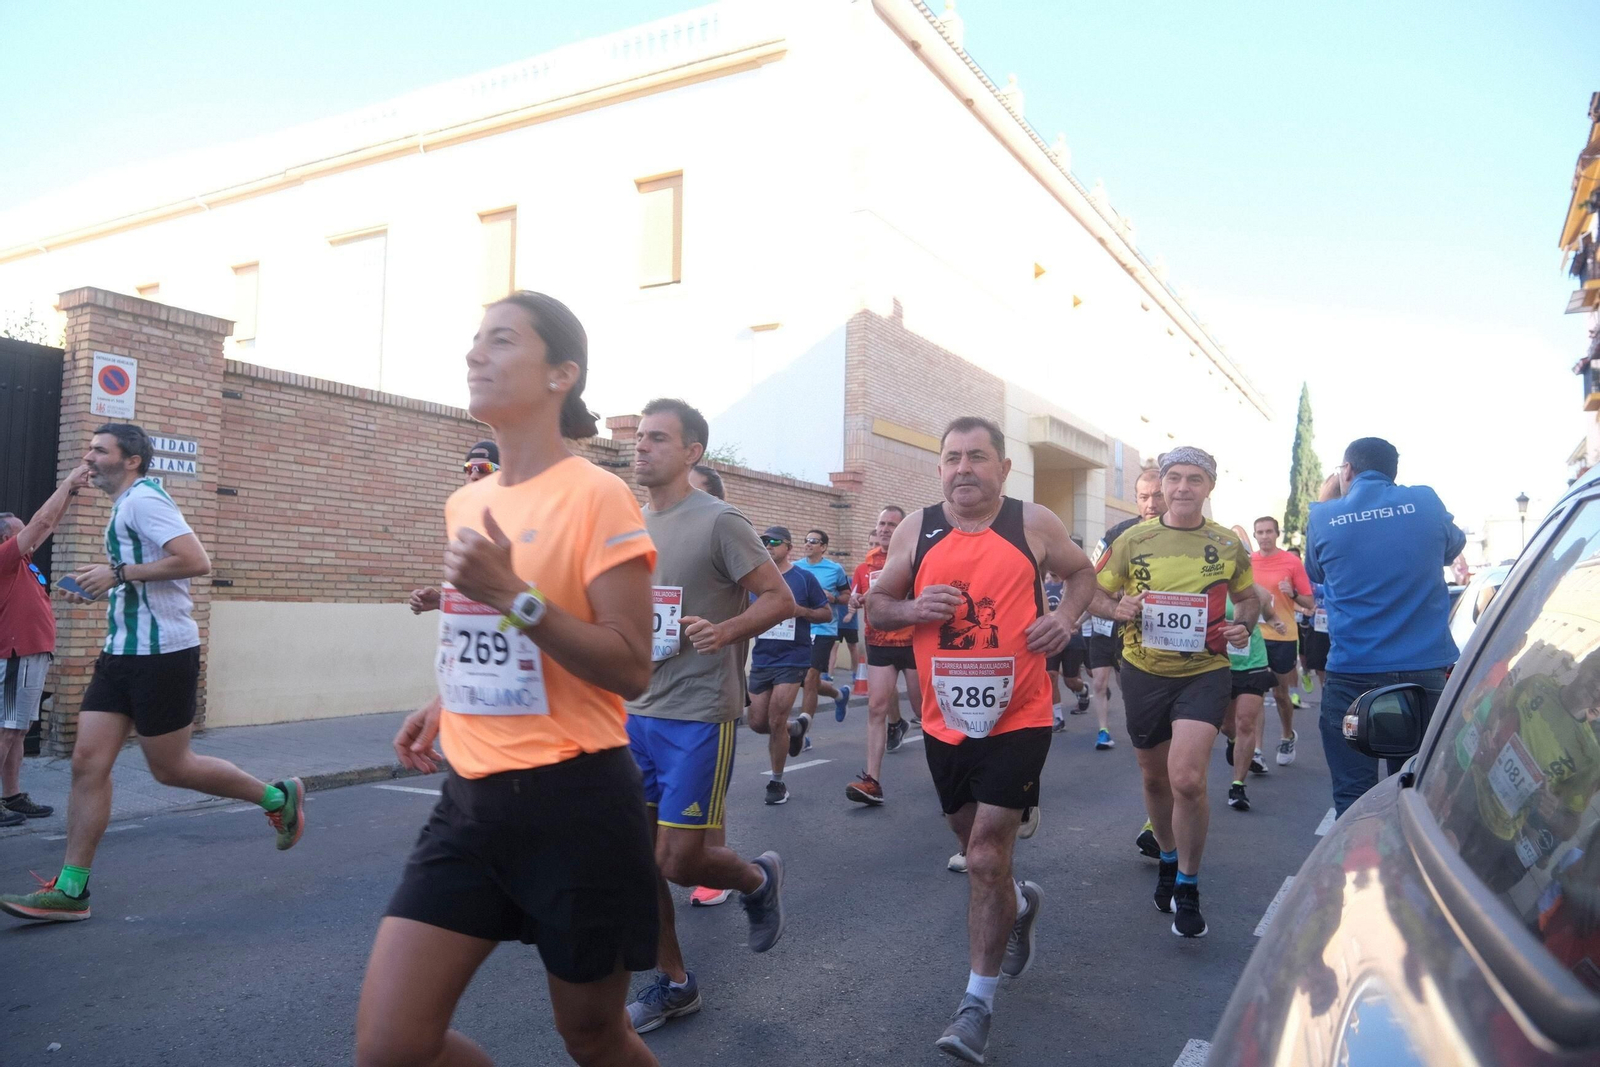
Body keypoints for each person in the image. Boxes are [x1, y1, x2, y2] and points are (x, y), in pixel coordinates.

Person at [354, 292, 665, 1067]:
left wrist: (515, 596)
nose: (474, 354)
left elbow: (629, 664)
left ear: (563, 373)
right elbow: (494, 636)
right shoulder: (468, 499)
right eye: (473, 340)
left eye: (499, 341)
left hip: (576, 804)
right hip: (469, 802)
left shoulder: (598, 493)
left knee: (594, 1037)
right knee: (392, 1048)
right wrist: (447, 697)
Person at [1, 424, 307, 924]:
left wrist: (119, 574)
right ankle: (72, 890)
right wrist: (101, 583)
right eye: (90, 449)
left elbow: (195, 560)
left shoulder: (144, 500)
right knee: (86, 761)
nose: (90, 458)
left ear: (132, 461)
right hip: (120, 652)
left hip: (162, 653)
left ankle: (277, 796)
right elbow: (138, 572)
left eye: (101, 450)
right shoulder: (124, 506)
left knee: (171, 768)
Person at [867, 416, 1094, 1063]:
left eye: (977, 457)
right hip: (945, 720)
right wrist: (913, 609)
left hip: (1019, 713)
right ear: (939, 467)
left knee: (988, 857)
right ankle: (1020, 904)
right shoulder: (918, 527)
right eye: (952, 457)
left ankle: (976, 1004)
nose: (963, 468)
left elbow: (1082, 574)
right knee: (973, 849)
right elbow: (877, 606)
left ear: (1002, 468)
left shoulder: (1033, 523)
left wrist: (1065, 617)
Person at [624, 398, 794, 1033]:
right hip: (635, 709)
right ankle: (674, 982)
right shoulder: (629, 523)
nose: (642, 447)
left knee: (677, 860)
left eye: (658, 438)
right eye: (639, 437)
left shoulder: (720, 520)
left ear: (691, 451)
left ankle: (755, 879)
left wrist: (725, 630)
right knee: (643, 861)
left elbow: (776, 597)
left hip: (698, 712)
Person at [1091, 446, 1258, 938]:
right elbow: (1094, 593)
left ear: (1209, 487)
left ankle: (1188, 882)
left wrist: (1242, 627)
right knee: (1154, 779)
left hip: (1205, 670)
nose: (1184, 488)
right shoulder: (1131, 538)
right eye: (1175, 479)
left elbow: (1248, 600)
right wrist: (1117, 610)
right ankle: (1166, 855)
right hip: (1144, 669)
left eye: (1195, 480)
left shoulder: (1227, 544)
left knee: (1186, 779)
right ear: (1161, 486)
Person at [1306, 437, 1465, 817]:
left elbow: (1316, 571)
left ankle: (1357, 871)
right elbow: (1451, 548)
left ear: (1347, 471)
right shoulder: (1425, 501)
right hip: (1424, 671)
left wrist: (1336, 495)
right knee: (1418, 791)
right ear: (1393, 471)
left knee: (1353, 796)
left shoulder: (1324, 516)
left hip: (1353, 674)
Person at [0, 466, 94, 825]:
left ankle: (12, 795)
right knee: (7, 727)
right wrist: (68, 481)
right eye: (19, 531)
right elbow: (41, 523)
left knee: (18, 729)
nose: (30, 534)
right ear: (7, 538)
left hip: (30, 655)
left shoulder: (21, 563)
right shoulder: (5, 559)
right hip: (14, 655)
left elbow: (48, 525)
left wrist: (70, 495)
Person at [744, 526, 831, 805]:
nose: (767, 545)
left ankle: (777, 782)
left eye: (773, 542)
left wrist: (799, 611)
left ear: (788, 547)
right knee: (757, 722)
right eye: (763, 541)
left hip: (793, 658)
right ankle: (795, 729)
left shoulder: (803, 579)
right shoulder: (755, 581)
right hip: (762, 658)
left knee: (776, 718)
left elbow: (826, 613)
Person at [1089, 468, 1165, 758]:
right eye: (1144, 497)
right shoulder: (1118, 534)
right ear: (1135, 499)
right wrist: (1116, 600)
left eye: (1158, 496)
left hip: (1182, 648)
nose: (1151, 504)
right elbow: (1089, 580)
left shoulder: (1193, 533)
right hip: (1127, 637)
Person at [844, 507, 917, 805]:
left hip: (913, 641)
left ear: (901, 530)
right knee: (876, 708)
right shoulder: (864, 566)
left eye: (892, 525)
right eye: (882, 524)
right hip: (878, 643)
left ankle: (954, 781)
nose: (886, 529)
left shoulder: (914, 560)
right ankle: (872, 782)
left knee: (926, 713)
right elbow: (856, 594)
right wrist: (855, 599)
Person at [1250, 515, 1315, 766]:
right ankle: (1256, 750)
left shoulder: (1291, 562)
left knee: (1280, 693)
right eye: (1260, 532)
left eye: (1269, 532)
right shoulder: (1248, 562)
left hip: (1282, 635)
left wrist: (1293, 593)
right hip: (1255, 635)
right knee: (1254, 694)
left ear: (1277, 534)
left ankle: (1287, 735)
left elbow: (1310, 603)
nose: (1265, 536)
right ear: (1254, 535)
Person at [408, 440, 501, 614]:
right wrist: (443, 601)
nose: (473, 475)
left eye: (484, 468)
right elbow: (479, 590)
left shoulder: (519, 519)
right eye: (468, 468)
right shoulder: (464, 519)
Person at [1220, 585, 1283, 812]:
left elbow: (1270, 615)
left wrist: (1276, 623)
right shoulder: (1210, 586)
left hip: (1253, 664)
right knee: (1227, 726)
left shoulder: (1258, 593)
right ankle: (1233, 741)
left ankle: (1238, 785)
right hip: (1222, 664)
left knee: (1245, 722)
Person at [792, 528, 853, 730]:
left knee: (810, 677)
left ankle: (803, 730)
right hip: (799, 628)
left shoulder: (835, 569)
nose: (808, 544)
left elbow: (847, 595)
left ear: (823, 547)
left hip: (824, 629)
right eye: (806, 540)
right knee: (807, 681)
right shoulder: (795, 568)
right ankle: (839, 695)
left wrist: (834, 598)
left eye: (814, 541)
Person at [1043, 570, 1090, 731]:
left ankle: (1082, 690)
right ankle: (1057, 717)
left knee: (1071, 680)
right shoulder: (1044, 588)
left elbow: (1088, 605)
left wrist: (1077, 622)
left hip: (1073, 639)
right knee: (1051, 676)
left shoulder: (1072, 585)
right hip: (1052, 639)